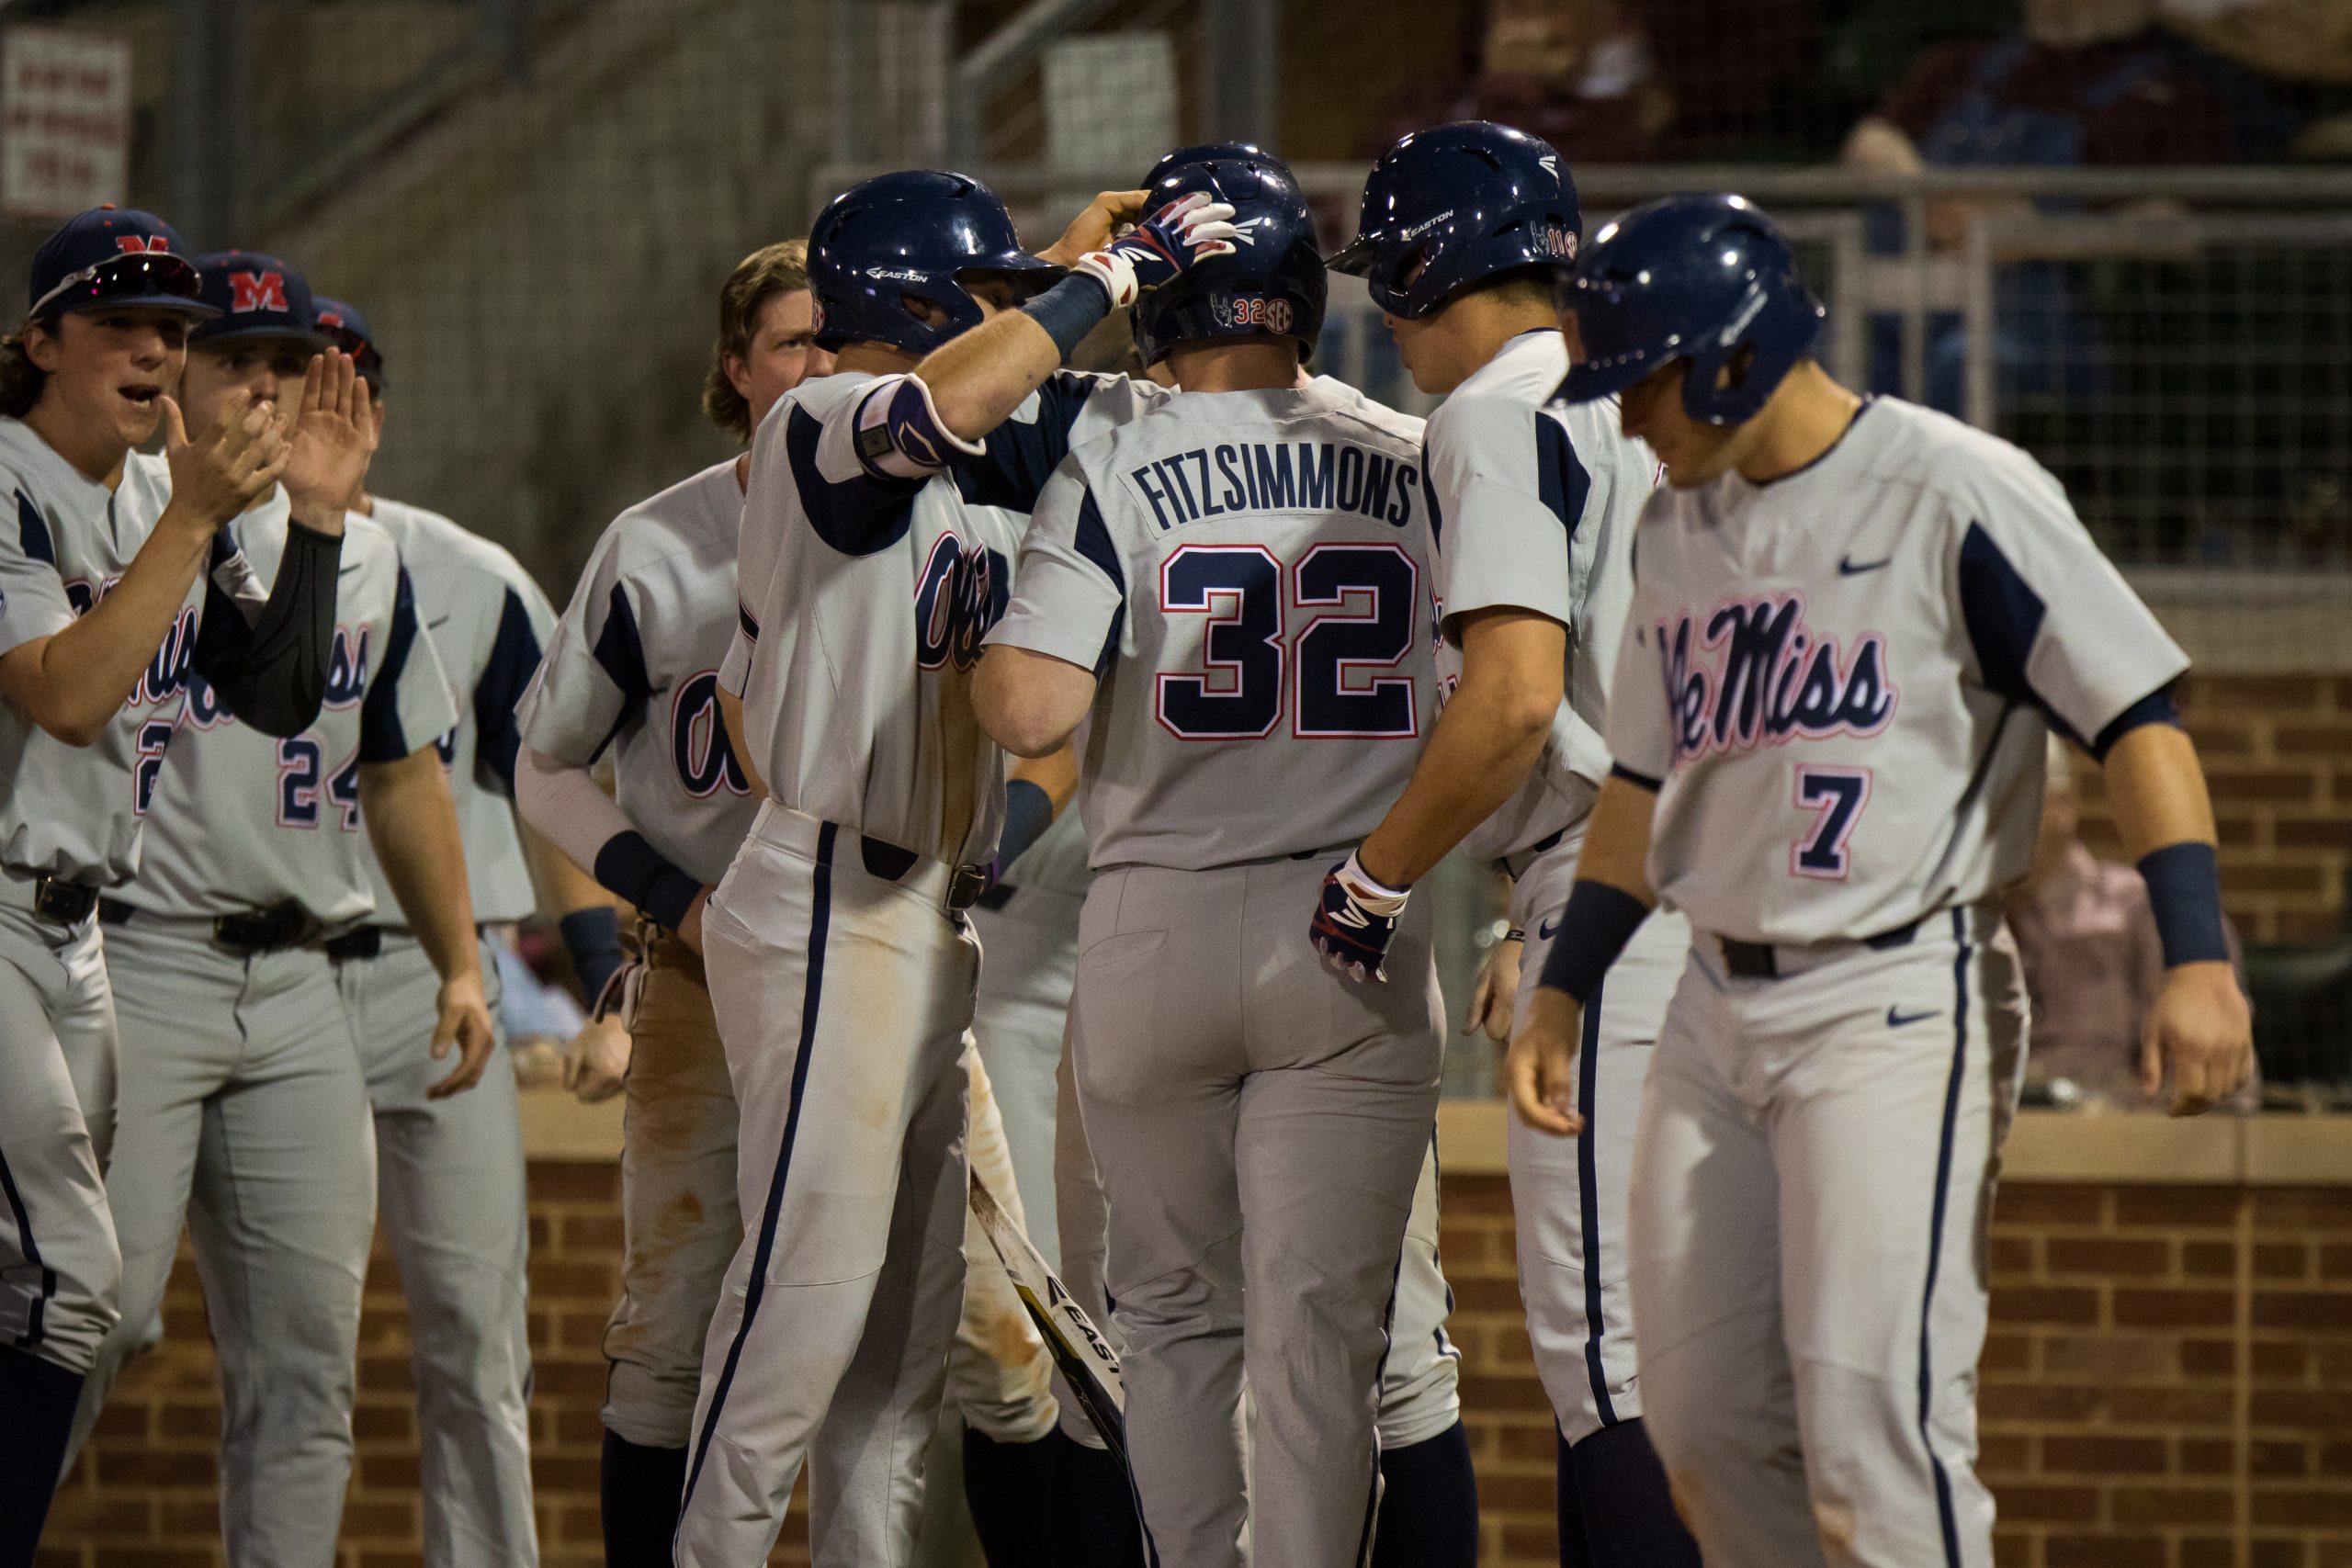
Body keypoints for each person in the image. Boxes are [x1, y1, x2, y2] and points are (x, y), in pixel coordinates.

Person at [1516, 192, 2255, 1568]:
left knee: (1877, 1431)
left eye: (1647, 382)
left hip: (1893, 998)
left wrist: (2198, 956)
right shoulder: (1679, 523)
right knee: (1707, 1421)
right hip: (1707, 1001)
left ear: (1732, 353)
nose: (1626, 421)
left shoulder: (1951, 484)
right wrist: (1567, 983)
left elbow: (2139, 717)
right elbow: (1637, 780)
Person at [972, 149, 1440, 1568]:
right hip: (1349, 921)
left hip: (1154, 920)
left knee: (1171, 1320)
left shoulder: (1113, 444)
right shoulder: (1416, 456)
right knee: (1327, 1339)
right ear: (1302, 293)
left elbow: (1033, 708)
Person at [67, 251, 494, 1568]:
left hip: (306, 984)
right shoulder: (117, 516)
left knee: (310, 1367)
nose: (264, 383)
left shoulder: (367, 553)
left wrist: (462, 963)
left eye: (286, 360)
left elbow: (402, 767)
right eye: (233, 358)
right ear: (180, 382)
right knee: (97, 1315)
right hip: (141, 962)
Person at [1319, 119, 1700, 1568]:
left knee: (1609, 1355)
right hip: (1689, 873)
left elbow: (1519, 699)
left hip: (1621, 898)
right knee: (1692, 1340)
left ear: (1427, 267)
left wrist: (1377, 875)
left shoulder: (1489, 410)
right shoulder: (1642, 384)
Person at [0, 207, 343, 1564]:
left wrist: (310, 518)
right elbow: (75, 696)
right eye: (120, 321)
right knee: (74, 1286)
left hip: (74, 936)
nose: (157, 348)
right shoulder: (13, 475)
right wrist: (198, 515)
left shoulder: (157, 483)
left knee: (74, 1300)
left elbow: (272, 687)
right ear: (38, 342)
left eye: (175, 327)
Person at [310, 295, 608, 1568]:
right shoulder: (181, 559)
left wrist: (602, 978)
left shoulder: (469, 576)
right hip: (260, 965)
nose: (325, 401)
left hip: (445, 979)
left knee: (481, 1337)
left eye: (346, 377)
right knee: (296, 1348)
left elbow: (557, 786)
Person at [2008, 735, 2256, 1111]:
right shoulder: (1953, 930)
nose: (1992, 827)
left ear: (2064, 805)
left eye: (2011, 802)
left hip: (2123, 1156)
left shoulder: (2149, 914)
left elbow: (2222, 1097)